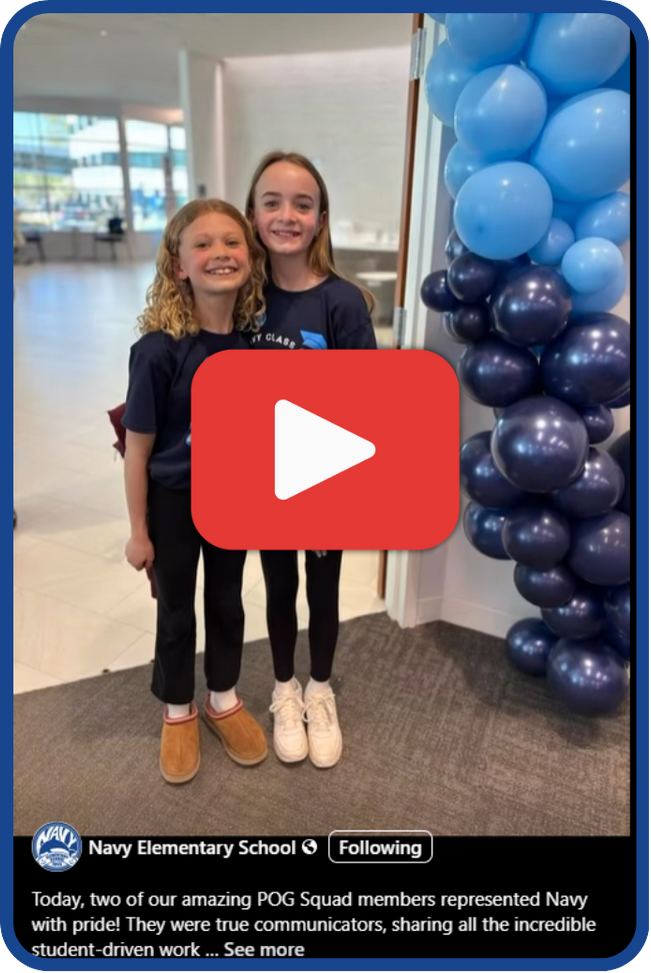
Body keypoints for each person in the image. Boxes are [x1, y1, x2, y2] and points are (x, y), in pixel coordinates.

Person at [122, 198, 267, 785]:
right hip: (172, 501)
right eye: (202, 244)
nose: (219, 253)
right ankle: (178, 707)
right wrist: (138, 531)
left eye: (232, 242)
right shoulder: (157, 351)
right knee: (177, 606)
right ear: (178, 265)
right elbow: (137, 450)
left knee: (228, 599)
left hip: (232, 499)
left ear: (250, 258)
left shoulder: (254, 345)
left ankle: (222, 697)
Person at [245, 151, 377, 769]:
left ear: (321, 218)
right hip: (263, 476)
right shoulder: (242, 297)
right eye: (272, 202)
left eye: (303, 204)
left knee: (323, 587)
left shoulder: (343, 302)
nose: (287, 215)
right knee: (279, 585)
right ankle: (284, 688)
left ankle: (320, 691)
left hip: (326, 476)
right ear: (252, 213)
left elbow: (366, 405)